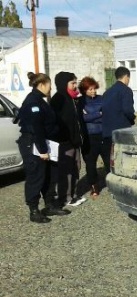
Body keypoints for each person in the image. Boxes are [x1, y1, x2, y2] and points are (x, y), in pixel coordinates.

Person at [16, 72, 67, 222]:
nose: (50, 89)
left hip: (44, 142)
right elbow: (36, 127)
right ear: (42, 84)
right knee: (36, 177)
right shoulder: (33, 102)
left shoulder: (40, 100)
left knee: (51, 175)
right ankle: (34, 210)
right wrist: (43, 150)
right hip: (34, 144)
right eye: (49, 85)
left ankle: (50, 205)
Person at [49, 71, 87, 208]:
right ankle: (66, 197)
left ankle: (73, 193)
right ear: (63, 84)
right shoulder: (59, 99)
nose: (75, 86)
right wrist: (64, 138)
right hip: (65, 142)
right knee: (67, 171)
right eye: (72, 83)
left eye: (76, 82)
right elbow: (56, 122)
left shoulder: (73, 99)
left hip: (75, 141)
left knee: (76, 168)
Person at [102, 66, 135, 175]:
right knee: (122, 158)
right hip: (121, 130)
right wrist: (132, 119)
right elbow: (128, 110)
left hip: (107, 131)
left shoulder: (107, 92)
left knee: (110, 158)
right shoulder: (126, 91)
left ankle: (110, 176)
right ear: (126, 77)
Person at [79, 76, 106, 197]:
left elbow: (106, 114)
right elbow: (82, 118)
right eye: (90, 89)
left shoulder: (102, 99)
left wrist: (91, 116)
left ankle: (111, 183)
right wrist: (99, 113)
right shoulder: (80, 101)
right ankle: (94, 186)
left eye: (94, 88)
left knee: (108, 160)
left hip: (103, 134)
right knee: (90, 163)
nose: (93, 91)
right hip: (89, 137)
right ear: (84, 90)